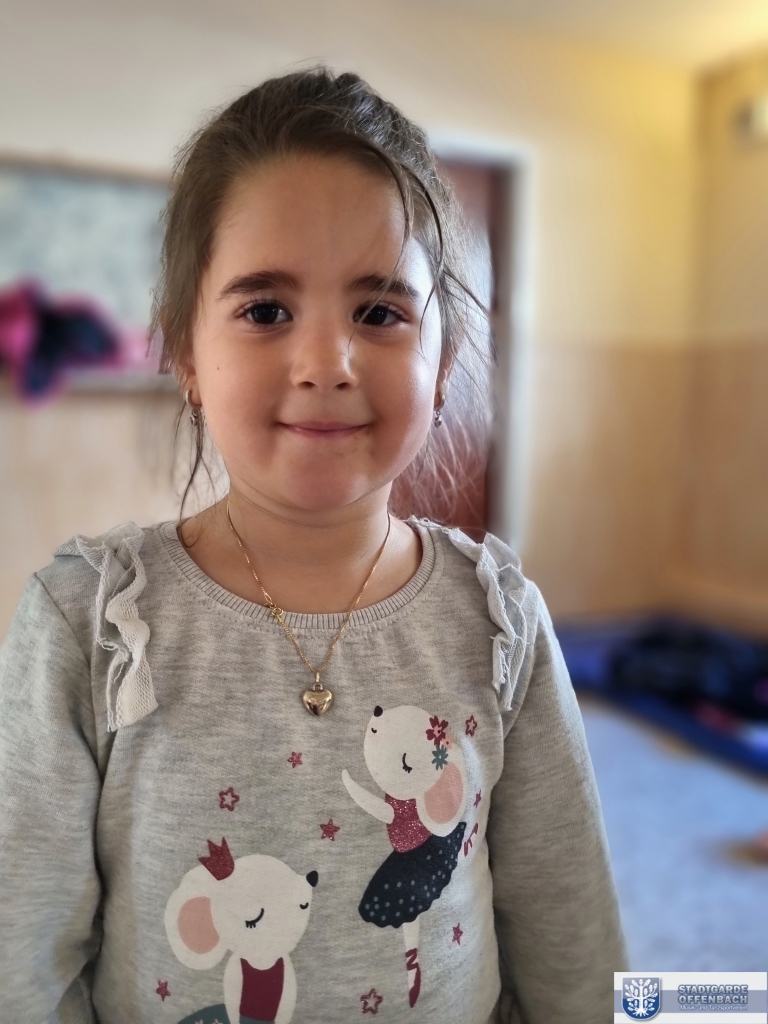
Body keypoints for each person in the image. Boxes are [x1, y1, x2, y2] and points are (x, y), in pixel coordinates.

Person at [0, 67, 627, 1024]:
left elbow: (571, 940)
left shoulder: (498, 623)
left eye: (380, 312)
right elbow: (22, 965)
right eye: (265, 311)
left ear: (443, 359)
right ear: (186, 354)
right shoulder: (89, 625)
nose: (327, 363)